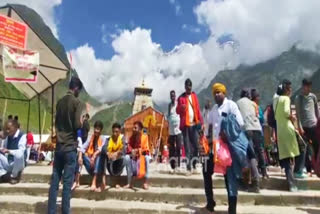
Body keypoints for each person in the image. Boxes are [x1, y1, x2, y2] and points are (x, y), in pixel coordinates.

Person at [204, 83, 246, 214]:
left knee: (229, 178)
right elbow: (208, 125)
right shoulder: (214, 110)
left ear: (224, 93)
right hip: (215, 148)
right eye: (215, 92)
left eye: (219, 92)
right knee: (206, 170)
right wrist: (208, 139)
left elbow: (240, 122)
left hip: (228, 148)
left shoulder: (231, 105)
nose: (217, 94)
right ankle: (210, 202)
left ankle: (232, 209)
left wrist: (227, 132)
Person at [48, 76, 84, 214]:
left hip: (59, 147)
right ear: (76, 89)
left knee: (55, 181)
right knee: (67, 184)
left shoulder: (60, 102)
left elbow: (56, 123)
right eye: (78, 91)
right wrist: (83, 120)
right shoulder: (77, 103)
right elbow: (77, 125)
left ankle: (51, 211)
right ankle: (65, 211)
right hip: (70, 147)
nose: (78, 93)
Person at [237, 89, 266, 190]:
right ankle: (263, 173)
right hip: (257, 128)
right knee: (258, 152)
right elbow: (258, 116)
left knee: (248, 154)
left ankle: (252, 181)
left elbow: (237, 118)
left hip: (247, 129)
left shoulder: (238, 103)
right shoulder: (253, 103)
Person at [275, 79, 300, 192]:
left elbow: (276, 115)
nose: (291, 90)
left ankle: (290, 181)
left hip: (280, 130)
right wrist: (292, 117)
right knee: (293, 155)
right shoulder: (286, 99)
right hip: (287, 129)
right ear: (286, 90)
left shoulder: (276, 99)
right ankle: (293, 182)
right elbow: (286, 112)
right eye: (289, 88)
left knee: (285, 157)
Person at [176, 79, 203, 175]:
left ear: (191, 86)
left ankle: (195, 165)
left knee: (195, 146)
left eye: (190, 85)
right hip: (185, 126)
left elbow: (198, 109)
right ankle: (188, 168)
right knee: (187, 147)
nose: (189, 87)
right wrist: (181, 108)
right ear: (185, 86)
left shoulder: (194, 96)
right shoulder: (181, 98)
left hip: (194, 124)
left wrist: (201, 123)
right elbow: (177, 111)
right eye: (187, 86)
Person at [295, 79, 319, 177]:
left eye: (309, 87)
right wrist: (300, 128)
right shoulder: (298, 98)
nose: (308, 89)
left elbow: (317, 111)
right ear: (303, 86)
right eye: (306, 86)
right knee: (304, 149)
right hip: (304, 127)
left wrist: (318, 123)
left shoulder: (313, 97)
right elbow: (298, 114)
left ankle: (317, 168)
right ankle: (308, 169)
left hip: (314, 126)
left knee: (317, 147)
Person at [78, 120, 105, 192]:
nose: (96, 130)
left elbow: (101, 149)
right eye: (95, 128)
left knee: (99, 155)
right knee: (80, 155)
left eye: (98, 129)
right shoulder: (90, 138)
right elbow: (83, 148)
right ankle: (76, 179)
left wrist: (94, 156)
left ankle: (94, 180)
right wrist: (80, 157)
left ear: (101, 130)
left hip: (98, 166)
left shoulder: (103, 139)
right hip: (90, 163)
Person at [124, 121, 151, 190]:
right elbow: (129, 147)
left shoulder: (144, 137)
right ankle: (129, 182)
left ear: (140, 129)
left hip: (141, 156)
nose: (133, 129)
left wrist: (137, 151)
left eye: (135, 128)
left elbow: (146, 150)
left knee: (147, 158)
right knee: (126, 157)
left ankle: (146, 182)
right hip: (133, 157)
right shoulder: (131, 137)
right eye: (133, 127)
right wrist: (132, 151)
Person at [100, 123, 127, 189]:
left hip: (118, 161)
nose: (115, 133)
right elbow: (104, 147)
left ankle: (117, 181)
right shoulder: (109, 139)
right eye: (113, 132)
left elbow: (124, 149)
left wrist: (116, 153)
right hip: (110, 162)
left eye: (116, 132)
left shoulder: (122, 139)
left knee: (124, 158)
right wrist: (108, 153)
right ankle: (103, 181)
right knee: (103, 155)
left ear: (120, 131)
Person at [0, 119, 27, 184]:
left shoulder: (22, 136)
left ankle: (15, 176)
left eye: (9, 129)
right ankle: (3, 174)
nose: (7, 130)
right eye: (6, 129)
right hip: (9, 162)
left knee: (19, 155)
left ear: (15, 128)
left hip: (18, 163)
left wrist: (9, 151)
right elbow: (3, 148)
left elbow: (21, 152)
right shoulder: (7, 136)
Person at [167, 90, 182, 173]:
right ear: (170, 97)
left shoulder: (178, 103)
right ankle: (172, 166)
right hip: (171, 130)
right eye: (171, 96)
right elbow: (169, 115)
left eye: (173, 96)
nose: (172, 97)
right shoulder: (169, 105)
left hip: (178, 130)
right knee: (171, 149)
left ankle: (178, 165)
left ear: (175, 96)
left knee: (178, 147)